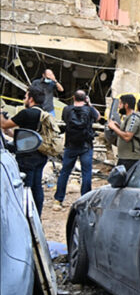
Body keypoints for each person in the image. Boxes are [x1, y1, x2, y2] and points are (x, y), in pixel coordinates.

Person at [0, 86, 49, 214]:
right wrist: (10, 133)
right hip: (40, 154)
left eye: (25, 97)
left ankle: (25, 215)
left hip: (27, 156)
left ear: (31, 99)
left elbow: (4, 124)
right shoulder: (43, 113)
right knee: (37, 186)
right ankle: (37, 215)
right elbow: (23, 134)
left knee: (25, 188)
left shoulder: (26, 113)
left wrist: (0, 113)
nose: (24, 99)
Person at [52, 90, 101, 211]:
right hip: (86, 145)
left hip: (70, 145)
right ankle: (85, 199)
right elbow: (98, 117)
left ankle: (58, 200)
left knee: (65, 172)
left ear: (73, 97)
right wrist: (89, 104)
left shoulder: (67, 110)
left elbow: (65, 120)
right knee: (86, 173)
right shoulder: (89, 110)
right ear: (85, 99)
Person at [106, 94, 140, 172]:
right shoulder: (128, 118)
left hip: (130, 159)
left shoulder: (133, 119)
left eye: (120, 104)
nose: (119, 106)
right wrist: (118, 127)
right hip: (125, 158)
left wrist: (114, 128)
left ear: (126, 105)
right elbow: (127, 132)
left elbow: (127, 137)